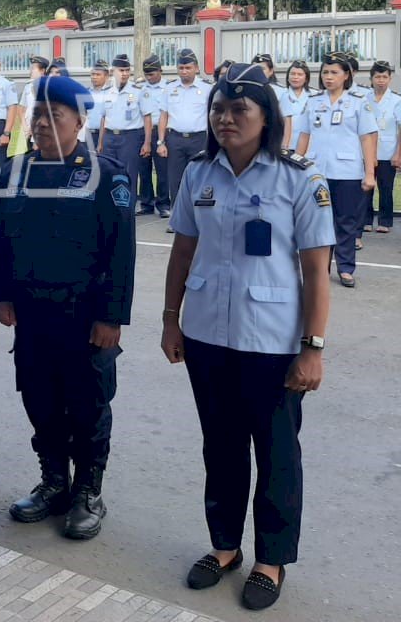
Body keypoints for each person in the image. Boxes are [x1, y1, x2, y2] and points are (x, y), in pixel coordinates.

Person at [161, 62, 333, 612]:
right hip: (208, 334)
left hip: (273, 342)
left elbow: (315, 270)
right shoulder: (198, 174)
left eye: (240, 110)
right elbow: (182, 250)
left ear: (267, 118)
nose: (225, 119)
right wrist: (171, 318)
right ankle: (226, 546)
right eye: (219, 109)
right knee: (222, 446)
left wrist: (313, 347)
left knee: (278, 452)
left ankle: (271, 558)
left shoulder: (298, 178)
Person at [0, 75, 135, 540]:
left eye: (56, 116)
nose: (44, 124)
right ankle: (54, 482)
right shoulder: (13, 171)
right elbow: (2, 240)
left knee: (88, 407)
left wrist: (111, 317)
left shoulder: (105, 175)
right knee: (40, 400)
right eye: (38, 115)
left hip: (85, 316)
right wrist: (3, 294)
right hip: (33, 314)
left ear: (79, 121)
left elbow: (121, 252)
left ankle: (88, 493)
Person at [294, 52, 377, 287]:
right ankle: (320, 267)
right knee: (318, 221)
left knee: (346, 221)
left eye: (334, 72)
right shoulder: (313, 101)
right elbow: (304, 136)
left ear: (346, 75)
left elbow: (367, 139)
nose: (328, 77)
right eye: (325, 72)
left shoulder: (359, 102)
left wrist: (369, 173)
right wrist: (297, 167)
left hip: (348, 171)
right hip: (317, 171)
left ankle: (346, 268)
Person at [157, 49, 211, 230]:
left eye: (188, 68)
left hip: (199, 139)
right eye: (181, 68)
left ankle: (198, 217)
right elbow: (163, 116)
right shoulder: (170, 88)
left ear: (196, 68)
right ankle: (176, 218)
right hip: (176, 139)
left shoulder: (206, 89)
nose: (184, 71)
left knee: (199, 178)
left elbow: (212, 116)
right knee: (176, 179)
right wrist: (161, 142)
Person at [365, 61, 400, 233]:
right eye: (377, 76)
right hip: (366, 151)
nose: (381, 80)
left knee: (385, 187)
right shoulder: (365, 97)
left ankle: (385, 221)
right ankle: (366, 220)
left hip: (387, 151)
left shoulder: (396, 100)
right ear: (371, 78)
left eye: (384, 77)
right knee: (366, 187)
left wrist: (398, 154)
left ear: (390, 78)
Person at [99, 54, 143, 185]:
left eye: (127, 70)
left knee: (129, 174)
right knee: (108, 174)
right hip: (110, 137)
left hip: (129, 137)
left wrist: (146, 142)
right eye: (121, 70)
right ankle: (110, 205)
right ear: (113, 71)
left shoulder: (137, 91)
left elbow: (147, 117)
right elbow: (103, 118)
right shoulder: (106, 91)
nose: (124, 74)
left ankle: (129, 205)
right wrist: (100, 142)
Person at [138, 55, 171, 217]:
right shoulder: (141, 89)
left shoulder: (169, 87)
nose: (149, 77)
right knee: (143, 169)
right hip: (144, 132)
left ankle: (164, 204)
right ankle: (146, 203)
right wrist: (146, 140)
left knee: (162, 170)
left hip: (161, 131)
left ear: (160, 71)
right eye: (146, 74)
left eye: (152, 74)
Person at [12, 55, 50, 155]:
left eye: (33, 69)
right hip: (27, 132)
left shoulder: (48, 87)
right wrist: (25, 127)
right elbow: (21, 108)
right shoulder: (28, 86)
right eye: (31, 68)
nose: (31, 71)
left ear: (42, 70)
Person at [278, 61, 315, 150]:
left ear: (306, 78)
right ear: (287, 77)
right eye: (292, 74)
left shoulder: (314, 96)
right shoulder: (281, 95)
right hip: (287, 145)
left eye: (299, 74)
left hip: (310, 145)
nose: (295, 77)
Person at [86, 60, 113, 151]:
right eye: (93, 74)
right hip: (87, 135)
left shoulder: (112, 93)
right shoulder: (86, 93)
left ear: (106, 76)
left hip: (105, 136)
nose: (94, 77)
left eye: (98, 75)